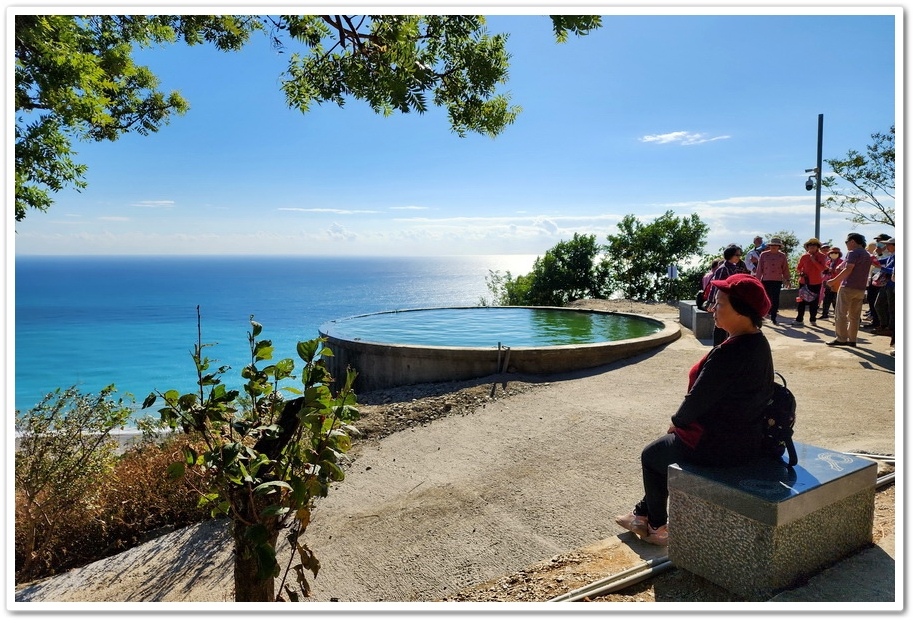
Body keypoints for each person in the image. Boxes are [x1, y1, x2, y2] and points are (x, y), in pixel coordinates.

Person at [614, 273, 774, 546]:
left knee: (653, 454)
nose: (712, 308)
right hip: (747, 438)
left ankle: (657, 527)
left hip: (718, 444)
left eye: (720, 303)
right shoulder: (758, 342)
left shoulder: (728, 354)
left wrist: (676, 423)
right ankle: (641, 514)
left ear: (741, 311)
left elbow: (697, 400)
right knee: (664, 450)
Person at [825, 232, 872, 347]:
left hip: (848, 287)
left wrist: (833, 281)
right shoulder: (867, 254)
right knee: (855, 316)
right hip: (861, 288)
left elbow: (848, 269)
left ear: (852, 241)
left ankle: (841, 338)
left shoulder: (852, 253)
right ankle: (852, 339)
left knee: (841, 313)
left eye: (847, 242)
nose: (846, 244)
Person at [708, 245, 747, 345]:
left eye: (740, 254)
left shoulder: (738, 267)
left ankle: (725, 346)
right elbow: (716, 286)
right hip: (722, 301)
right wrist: (712, 302)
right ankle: (717, 347)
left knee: (728, 325)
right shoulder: (723, 269)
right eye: (737, 255)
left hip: (732, 301)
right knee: (719, 325)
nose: (739, 257)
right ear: (730, 255)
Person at [754, 237, 791, 324]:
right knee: (766, 298)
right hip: (766, 280)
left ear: (779, 246)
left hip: (777, 280)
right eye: (772, 245)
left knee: (775, 299)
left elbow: (785, 269)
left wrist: (788, 279)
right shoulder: (763, 255)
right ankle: (765, 314)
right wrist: (757, 280)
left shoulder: (782, 256)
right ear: (769, 246)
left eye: (776, 245)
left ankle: (773, 317)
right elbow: (759, 269)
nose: (774, 247)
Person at [793, 238, 828, 326]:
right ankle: (799, 319)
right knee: (801, 301)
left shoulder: (822, 256)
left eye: (814, 245)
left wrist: (814, 260)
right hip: (804, 282)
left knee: (814, 302)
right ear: (807, 247)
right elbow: (798, 268)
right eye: (810, 245)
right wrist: (801, 273)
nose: (812, 247)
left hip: (816, 282)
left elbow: (822, 268)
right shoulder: (804, 256)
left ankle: (813, 319)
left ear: (817, 247)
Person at [870, 237, 895, 338]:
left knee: (891, 308)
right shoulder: (891, 256)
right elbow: (879, 261)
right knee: (879, 305)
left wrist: (881, 267)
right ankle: (885, 326)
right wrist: (871, 258)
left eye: (889, 245)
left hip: (892, 285)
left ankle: (890, 328)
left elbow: (893, 271)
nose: (886, 246)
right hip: (886, 284)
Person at [819, 246, 844, 319]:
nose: (834, 254)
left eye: (836, 253)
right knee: (826, 299)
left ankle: (837, 316)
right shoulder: (828, 262)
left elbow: (841, 272)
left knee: (836, 301)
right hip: (828, 282)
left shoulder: (841, 262)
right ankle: (825, 314)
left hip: (837, 283)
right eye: (832, 253)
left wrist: (833, 271)